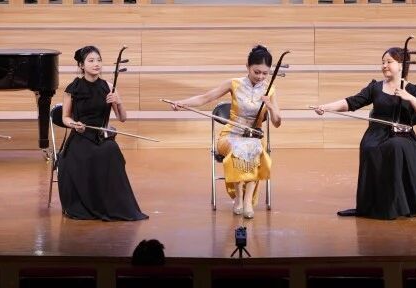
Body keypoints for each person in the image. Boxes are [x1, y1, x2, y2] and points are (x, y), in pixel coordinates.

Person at [313, 46, 416, 220]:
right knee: (369, 146)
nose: (384, 65)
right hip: (376, 135)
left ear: (401, 65)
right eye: (383, 62)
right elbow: (352, 102)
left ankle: (396, 205)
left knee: (395, 146)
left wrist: (409, 97)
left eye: (389, 62)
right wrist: (326, 107)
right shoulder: (375, 87)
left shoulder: (413, 89)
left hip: (403, 137)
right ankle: (375, 205)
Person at [168, 44, 282, 218]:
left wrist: (271, 108)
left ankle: (248, 200)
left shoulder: (270, 90)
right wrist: (182, 103)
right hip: (231, 134)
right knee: (241, 148)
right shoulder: (234, 84)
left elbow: (277, 123)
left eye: (265, 73)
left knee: (254, 148)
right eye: (256, 72)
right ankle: (238, 197)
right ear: (247, 66)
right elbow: (205, 98)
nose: (260, 77)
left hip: (254, 136)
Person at [57, 45, 147, 221]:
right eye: (91, 60)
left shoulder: (108, 87)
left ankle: (111, 205)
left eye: (99, 60)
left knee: (111, 151)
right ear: (81, 65)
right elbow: (65, 117)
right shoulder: (72, 88)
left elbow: (122, 118)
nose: (96, 64)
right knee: (81, 156)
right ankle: (87, 205)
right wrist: (74, 124)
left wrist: (118, 101)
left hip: (100, 137)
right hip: (80, 136)